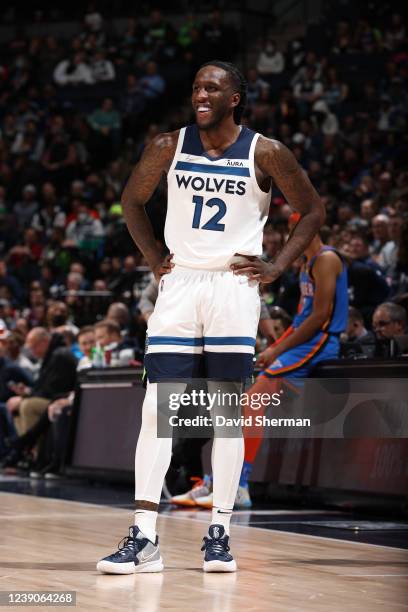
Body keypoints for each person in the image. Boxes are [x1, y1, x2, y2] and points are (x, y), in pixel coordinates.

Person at [97, 60, 324, 575]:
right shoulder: (166, 146)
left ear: (235, 98)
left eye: (212, 88)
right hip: (180, 285)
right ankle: (144, 535)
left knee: (224, 413)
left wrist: (277, 266)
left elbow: (312, 210)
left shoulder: (266, 151)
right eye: (197, 85)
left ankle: (219, 532)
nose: (201, 94)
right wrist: (154, 257)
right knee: (158, 408)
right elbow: (132, 201)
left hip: (233, 285)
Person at [238, 212, 349, 507]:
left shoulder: (327, 259)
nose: (291, 237)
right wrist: (278, 345)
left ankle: (240, 482)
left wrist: (278, 350)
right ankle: (229, 480)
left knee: (251, 401)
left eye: (294, 230)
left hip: (321, 342)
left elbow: (320, 317)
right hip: (303, 342)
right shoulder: (306, 265)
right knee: (248, 403)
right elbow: (302, 318)